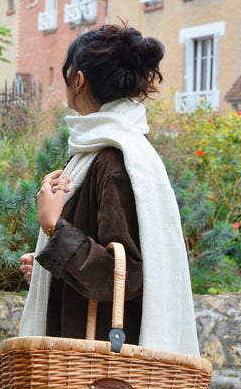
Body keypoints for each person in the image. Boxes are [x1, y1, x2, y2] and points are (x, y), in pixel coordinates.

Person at [19, 23, 200, 356]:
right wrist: (51, 269)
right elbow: (105, 258)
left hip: (99, 361)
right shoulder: (105, 150)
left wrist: (53, 228)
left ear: (78, 80)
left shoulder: (112, 159)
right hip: (90, 348)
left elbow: (126, 273)